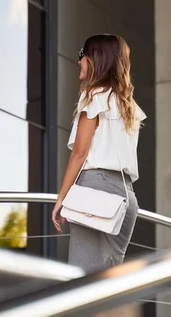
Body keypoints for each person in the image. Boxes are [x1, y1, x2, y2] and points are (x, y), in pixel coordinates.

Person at [52, 33, 146, 273]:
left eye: (82, 55)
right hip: (127, 197)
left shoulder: (93, 97)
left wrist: (61, 198)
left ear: (97, 59)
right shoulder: (128, 104)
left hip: (96, 191)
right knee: (108, 282)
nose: (79, 61)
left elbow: (80, 154)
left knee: (85, 282)